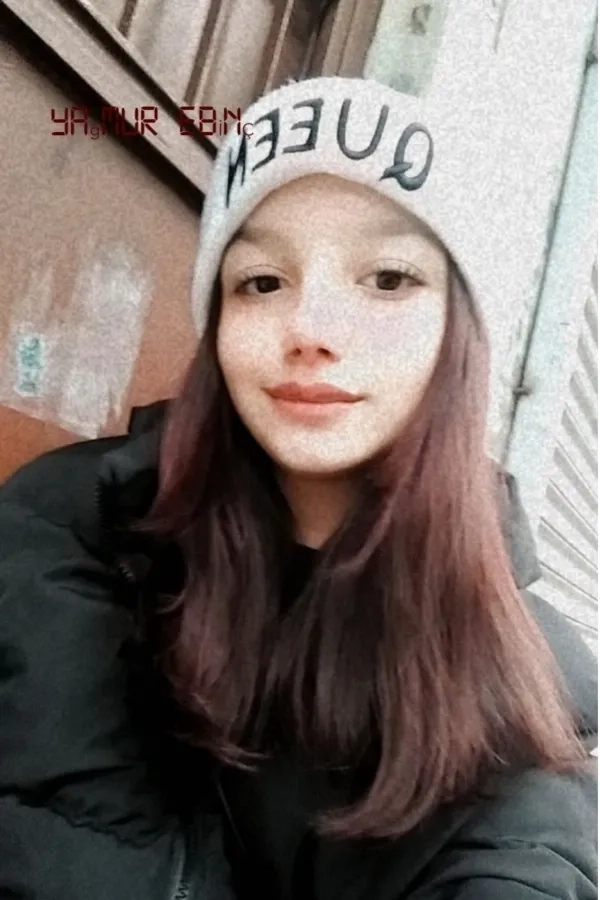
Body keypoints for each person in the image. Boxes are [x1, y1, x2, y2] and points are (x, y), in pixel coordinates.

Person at [0, 76, 597, 900]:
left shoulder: (522, 679)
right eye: (262, 281)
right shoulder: (69, 539)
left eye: (388, 278)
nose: (312, 329)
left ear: (457, 334)